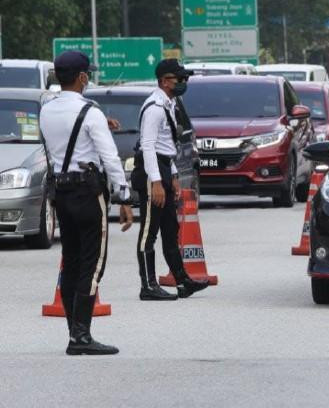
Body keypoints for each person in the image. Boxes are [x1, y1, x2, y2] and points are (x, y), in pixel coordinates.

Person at [39, 51, 134, 355]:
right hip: (88, 193)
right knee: (92, 264)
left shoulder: (46, 110)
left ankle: (73, 331)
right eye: (87, 74)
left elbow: (61, 140)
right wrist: (124, 195)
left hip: (61, 194)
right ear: (81, 77)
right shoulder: (89, 112)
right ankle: (81, 335)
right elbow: (109, 156)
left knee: (72, 260)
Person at [133, 59, 208, 300]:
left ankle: (183, 281)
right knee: (149, 231)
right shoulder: (155, 107)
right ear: (165, 81)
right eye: (179, 79)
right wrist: (156, 182)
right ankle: (148, 285)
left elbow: (166, 145)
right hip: (150, 170)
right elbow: (148, 146)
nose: (183, 83)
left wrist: (173, 175)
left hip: (163, 167)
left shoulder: (169, 103)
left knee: (170, 229)